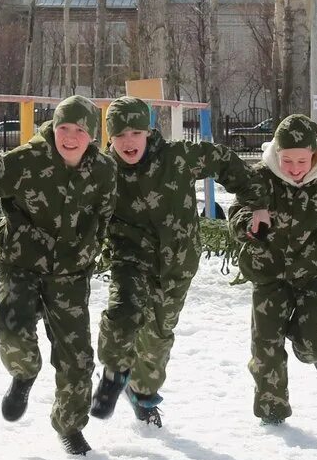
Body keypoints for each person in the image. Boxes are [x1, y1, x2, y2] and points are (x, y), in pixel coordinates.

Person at [90, 97, 270, 428]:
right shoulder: (103, 170)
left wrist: (256, 201)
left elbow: (224, 160)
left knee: (158, 334)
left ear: (148, 132)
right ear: (110, 138)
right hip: (130, 258)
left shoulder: (177, 157)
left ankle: (141, 393)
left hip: (177, 264)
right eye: (120, 135)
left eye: (135, 133)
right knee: (124, 312)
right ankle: (113, 373)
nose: (129, 142)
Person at [0, 95, 117, 456]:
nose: (69, 137)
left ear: (92, 134)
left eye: (78, 130)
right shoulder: (24, 161)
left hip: (70, 272)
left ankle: (70, 425)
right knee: (13, 329)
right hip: (21, 263)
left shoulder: (103, 170)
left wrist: (88, 249)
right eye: (62, 128)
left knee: (76, 358)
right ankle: (24, 374)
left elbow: (104, 214)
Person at [228, 114, 317, 425]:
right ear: (276, 154)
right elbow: (238, 211)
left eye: (300, 160)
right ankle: (272, 411)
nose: (293, 168)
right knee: (266, 345)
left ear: (315, 154)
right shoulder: (261, 179)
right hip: (269, 272)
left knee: (314, 347)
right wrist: (249, 225)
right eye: (286, 160)